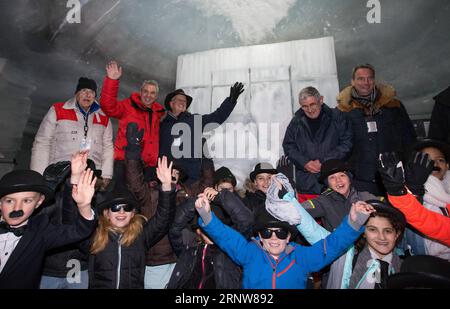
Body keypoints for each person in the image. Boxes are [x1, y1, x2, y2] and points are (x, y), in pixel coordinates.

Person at [194, 187, 374, 289]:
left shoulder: (302, 257)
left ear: (288, 237)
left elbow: (332, 245)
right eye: (267, 232)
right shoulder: (249, 253)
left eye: (280, 233)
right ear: (260, 237)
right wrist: (206, 214)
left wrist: (355, 222)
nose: (273, 237)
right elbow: (226, 237)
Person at [87, 156, 176, 289]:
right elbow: (73, 225)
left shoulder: (140, 236)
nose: (122, 212)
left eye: (127, 207)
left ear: (133, 213)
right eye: (116, 207)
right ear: (107, 213)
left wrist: (167, 187)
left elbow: (163, 219)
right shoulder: (95, 235)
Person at [0, 168, 97, 289]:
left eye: (27, 201)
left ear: (38, 202)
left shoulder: (41, 231)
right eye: (9, 201)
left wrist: (84, 206)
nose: (17, 208)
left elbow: (78, 231)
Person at [337, 64, 416, 195]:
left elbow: (408, 137)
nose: (366, 83)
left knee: (397, 211)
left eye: (369, 78)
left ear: (374, 80)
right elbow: (340, 143)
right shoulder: (344, 111)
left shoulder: (393, 106)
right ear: (352, 81)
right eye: (361, 79)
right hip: (361, 177)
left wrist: (409, 167)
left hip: (393, 173)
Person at [30, 77, 114, 190]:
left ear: (95, 96)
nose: (87, 95)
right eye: (84, 90)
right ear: (76, 93)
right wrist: (38, 175)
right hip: (60, 175)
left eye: (91, 92)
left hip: (91, 176)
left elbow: (108, 147)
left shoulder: (104, 118)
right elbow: (43, 142)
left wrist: (106, 174)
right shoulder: (58, 110)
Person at [124, 123, 179, 289]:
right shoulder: (149, 193)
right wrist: (133, 152)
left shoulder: (184, 194)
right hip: (156, 262)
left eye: (176, 174)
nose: (172, 176)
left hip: (179, 259)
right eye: (168, 172)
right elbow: (134, 182)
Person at [167, 186, 253, 289]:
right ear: (198, 230)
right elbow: (174, 228)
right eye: (205, 227)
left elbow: (246, 221)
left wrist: (219, 197)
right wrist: (194, 203)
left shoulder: (231, 251)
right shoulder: (189, 249)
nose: (210, 232)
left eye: (213, 226)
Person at [159, 83, 244, 183]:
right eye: (179, 100)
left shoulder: (195, 120)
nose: (183, 102)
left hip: (191, 178)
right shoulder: (161, 124)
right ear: (171, 103)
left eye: (185, 101)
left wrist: (231, 100)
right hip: (167, 176)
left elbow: (217, 117)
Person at [99, 61, 166, 188]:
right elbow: (108, 107)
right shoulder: (128, 106)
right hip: (125, 163)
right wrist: (112, 81)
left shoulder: (158, 113)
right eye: (145, 91)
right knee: (124, 201)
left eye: (152, 93)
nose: (148, 95)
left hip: (148, 167)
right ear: (141, 92)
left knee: (145, 203)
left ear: (156, 96)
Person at [39, 152, 101, 289]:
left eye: (90, 176)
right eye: (82, 175)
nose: (86, 180)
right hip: (50, 270)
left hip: (78, 267)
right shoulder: (53, 199)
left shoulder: (96, 201)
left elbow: (88, 242)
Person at [283, 86, 352, 198]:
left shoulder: (337, 117)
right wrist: (304, 163)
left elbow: (346, 144)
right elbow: (288, 146)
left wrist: (324, 162)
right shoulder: (296, 121)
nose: (309, 110)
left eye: (312, 104)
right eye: (304, 106)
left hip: (335, 184)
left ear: (321, 100)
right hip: (307, 185)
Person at [327, 200, 406, 289]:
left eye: (388, 231)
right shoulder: (348, 261)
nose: (382, 237)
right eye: (372, 229)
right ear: (363, 232)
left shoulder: (405, 268)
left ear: (397, 234)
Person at [378, 152, 450, 247]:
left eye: (440, 160)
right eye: (426, 160)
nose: (434, 164)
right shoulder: (405, 183)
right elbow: (424, 220)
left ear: (447, 166)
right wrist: (406, 190)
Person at [301, 159, 379, 232]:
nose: (338, 180)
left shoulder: (365, 197)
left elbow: (387, 212)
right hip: (339, 245)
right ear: (328, 184)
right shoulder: (323, 201)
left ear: (349, 179)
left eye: (342, 175)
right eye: (332, 177)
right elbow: (300, 209)